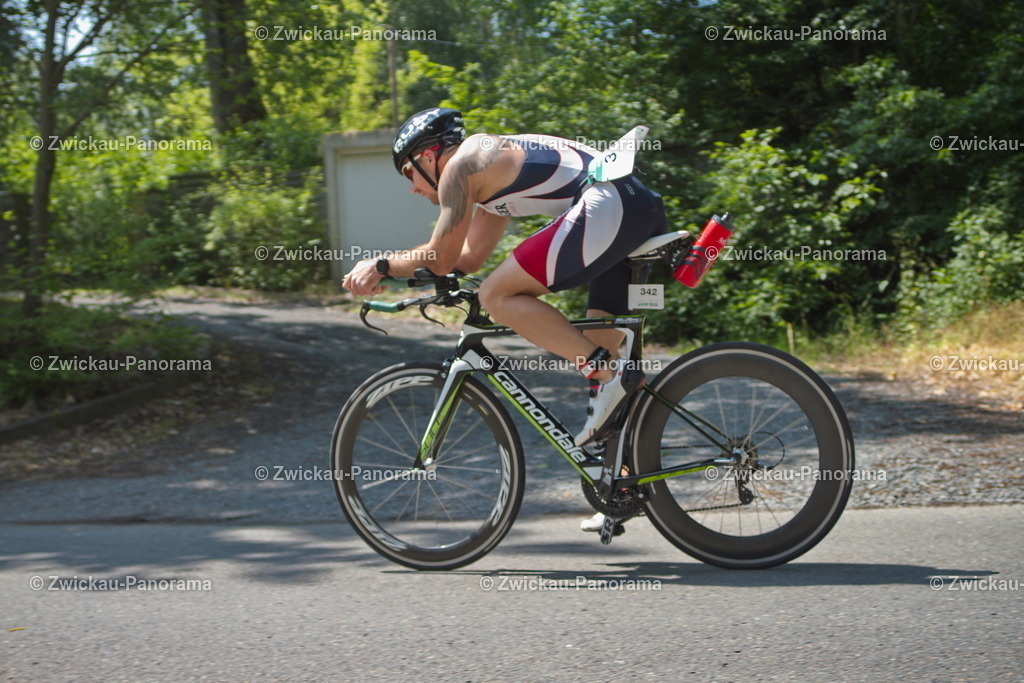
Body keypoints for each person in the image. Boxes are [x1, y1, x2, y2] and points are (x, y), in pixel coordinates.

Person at [342, 107, 668, 532]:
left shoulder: (462, 167)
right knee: (604, 363)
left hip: (610, 204)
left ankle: (608, 374)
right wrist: (420, 277)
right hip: (632, 206)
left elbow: (440, 256)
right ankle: (619, 486)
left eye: (408, 173)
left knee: (497, 295)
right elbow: (466, 258)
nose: (412, 188)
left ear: (428, 157)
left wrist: (382, 265)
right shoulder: (489, 176)